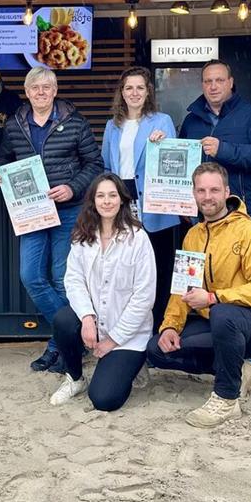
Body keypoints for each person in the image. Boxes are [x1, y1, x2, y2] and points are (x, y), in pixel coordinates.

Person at [146, 163, 251, 429]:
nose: (207, 197)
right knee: (157, 350)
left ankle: (226, 398)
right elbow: (182, 290)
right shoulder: (193, 236)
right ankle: (241, 369)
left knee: (224, 313)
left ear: (227, 192)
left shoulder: (249, 233)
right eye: (201, 190)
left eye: (214, 190)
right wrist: (169, 327)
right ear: (194, 194)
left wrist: (214, 297)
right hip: (220, 321)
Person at [0, 66, 103, 374]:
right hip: (32, 211)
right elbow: (3, 156)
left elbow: (95, 163)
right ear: (26, 92)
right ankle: (74, 337)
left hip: (69, 210)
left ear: (55, 91)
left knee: (61, 279)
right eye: (34, 87)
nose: (40, 92)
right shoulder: (15, 124)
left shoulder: (75, 122)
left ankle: (59, 347)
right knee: (30, 276)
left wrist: (72, 187)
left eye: (46, 87)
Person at [49, 174, 155, 411]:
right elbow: (73, 280)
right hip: (95, 325)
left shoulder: (138, 239)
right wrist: (87, 317)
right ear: (93, 201)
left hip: (127, 335)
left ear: (121, 200)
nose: (107, 201)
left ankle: (133, 365)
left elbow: (144, 297)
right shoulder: (83, 236)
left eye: (112, 195)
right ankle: (75, 378)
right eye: (101, 196)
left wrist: (112, 341)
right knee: (64, 320)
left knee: (105, 400)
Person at [100, 66, 180, 325]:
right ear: (121, 93)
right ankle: (129, 326)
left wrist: (164, 142)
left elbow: (174, 158)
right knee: (126, 268)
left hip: (155, 203)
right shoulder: (113, 125)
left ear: (148, 92)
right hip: (122, 202)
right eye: (129, 88)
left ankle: (160, 326)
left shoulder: (162, 120)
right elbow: (106, 166)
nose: (134, 93)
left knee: (159, 267)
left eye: (140, 88)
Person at [178, 60, 251, 230]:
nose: (213, 86)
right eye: (208, 81)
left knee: (248, 258)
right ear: (202, 85)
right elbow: (182, 164)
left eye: (219, 80)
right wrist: (182, 202)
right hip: (203, 212)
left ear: (231, 82)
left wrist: (223, 149)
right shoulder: (191, 120)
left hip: (245, 211)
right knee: (204, 257)